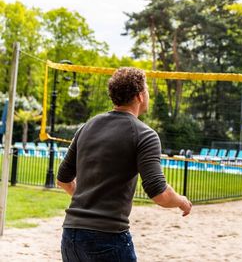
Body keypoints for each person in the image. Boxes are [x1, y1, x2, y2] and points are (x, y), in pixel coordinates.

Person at [57, 67, 192, 261]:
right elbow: (159, 193)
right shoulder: (144, 134)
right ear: (139, 96)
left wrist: (88, 202)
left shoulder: (87, 126)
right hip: (107, 237)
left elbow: (63, 180)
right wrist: (181, 201)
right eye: (146, 90)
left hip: (71, 236)